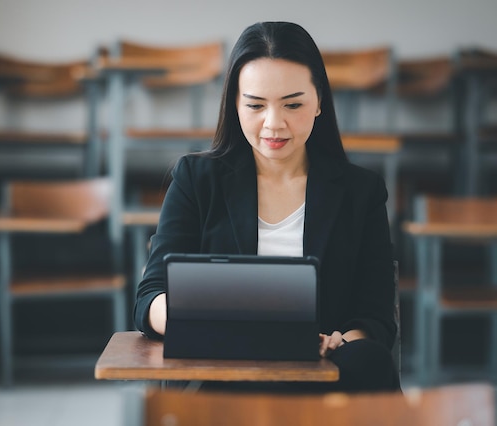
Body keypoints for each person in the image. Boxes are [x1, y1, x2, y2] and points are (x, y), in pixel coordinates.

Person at [133, 21, 400, 393]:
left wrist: (339, 342)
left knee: (369, 361)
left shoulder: (362, 192)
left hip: (322, 372)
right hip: (221, 367)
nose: (274, 124)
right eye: (256, 105)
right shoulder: (196, 179)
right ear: (235, 104)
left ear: (319, 100)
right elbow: (150, 298)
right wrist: (213, 330)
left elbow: (375, 318)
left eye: (293, 104)